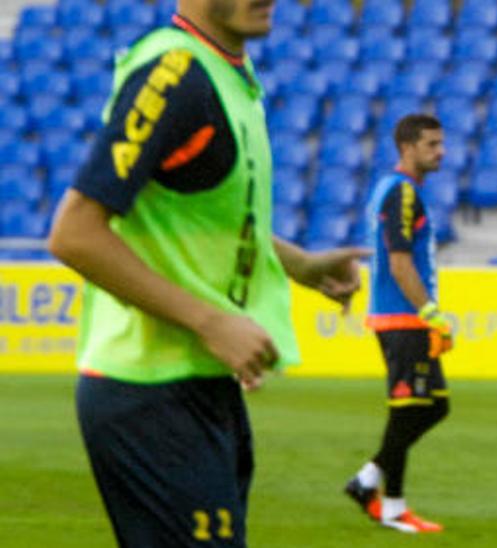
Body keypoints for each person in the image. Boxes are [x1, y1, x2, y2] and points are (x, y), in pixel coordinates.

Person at [46, 0, 366, 545]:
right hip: (146, 389)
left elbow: (200, 214)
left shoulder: (227, 72)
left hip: (197, 384)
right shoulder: (175, 74)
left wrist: (300, 265)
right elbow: (75, 233)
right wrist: (210, 322)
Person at [342, 114, 451, 535]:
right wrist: (431, 314)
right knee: (407, 410)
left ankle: (367, 481)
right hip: (403, 319)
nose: (440, 152)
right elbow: (400, 262)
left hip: (403, 318)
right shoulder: (402, 193)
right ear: (407, 147)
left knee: (435, 406)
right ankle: (391, 504)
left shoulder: (395, 190)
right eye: (431, 144)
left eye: (441, 144)